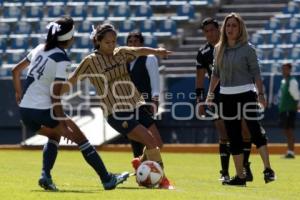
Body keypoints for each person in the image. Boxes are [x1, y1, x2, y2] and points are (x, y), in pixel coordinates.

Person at [12, 16, 129, 191]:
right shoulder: (62, 59)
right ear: (70, 38)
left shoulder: (39, 48)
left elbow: (15, 71)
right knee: (82, 140)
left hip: (25, 112)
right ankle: (107, 179)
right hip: (44, 110)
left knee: (54, 136)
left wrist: (18, 92)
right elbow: (55, 96)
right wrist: (63, 123)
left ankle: (46, 176)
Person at [61, 24, 174, 189]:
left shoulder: (120, 53)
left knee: (155, 141)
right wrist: (53, 96)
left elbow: (139, 50)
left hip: (136, 104)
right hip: (116, 112)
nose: (112, 45)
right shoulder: (90, 61)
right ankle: (162, 180)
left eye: (114, 41)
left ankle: (140, 164)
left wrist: (157, 51)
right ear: (98, 41)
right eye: (108, 42)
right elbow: (72, 80)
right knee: (150, 141)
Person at [206, 13, 276, 186]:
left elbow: (256, 74)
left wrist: (260, 95)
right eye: (228, 25)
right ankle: (240, 177)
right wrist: (210, 94)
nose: (230, 29)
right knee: (233, 136)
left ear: (240, 28)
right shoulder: (218, 48)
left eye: (234, 26)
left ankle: (268, 169)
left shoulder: (248, 48)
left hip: (247, 94)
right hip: (226, 96)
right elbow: (216, 74)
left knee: (254, 130)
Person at [196, 17, 252, 182]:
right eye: (206, 31)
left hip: (239, 94)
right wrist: (200, 100)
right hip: (218, 97)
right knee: (224, 133)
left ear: (219, 29)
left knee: (245, 132)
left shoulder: (234, 46)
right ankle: (225, 172)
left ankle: (245, 168)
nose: (210, 34)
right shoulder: (203, 53)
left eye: (213, 30)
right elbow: (199, 79)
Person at [126, 31, 160, 158]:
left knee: (151, 138)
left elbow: (155, 81)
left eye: (136, 41)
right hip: (128, 104)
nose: (133, 44)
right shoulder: (125, 61)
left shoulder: (149, 58)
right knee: (134, 138)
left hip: (145, 103)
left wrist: (155, 100)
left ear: (141, 43)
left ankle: (153, 164)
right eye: (130, 41)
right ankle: (139, 166)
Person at [278, 63, 299, 158]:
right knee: (286, 130)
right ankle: (289, 151)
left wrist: (297, 105)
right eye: (282, 69)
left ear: (290, 70)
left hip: (289, 110)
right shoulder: (283, 81)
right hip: (284, 110)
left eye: (285, 69)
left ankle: (291, 152)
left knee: (289, 130)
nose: (283, 71)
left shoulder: (292, 81)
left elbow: (296, 96)